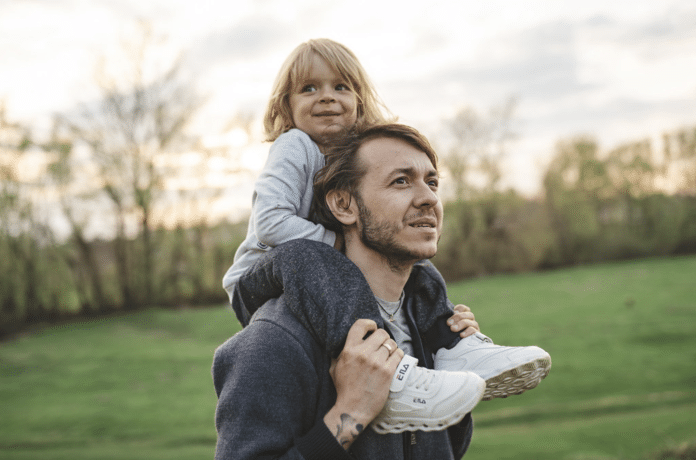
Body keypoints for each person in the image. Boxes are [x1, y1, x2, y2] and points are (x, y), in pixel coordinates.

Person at [221, 38, 551, 432]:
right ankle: (387, 371)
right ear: (285, 107)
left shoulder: (356, 153)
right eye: (309, 88)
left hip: (317, 269)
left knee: (418, 263)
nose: (326, 97)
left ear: (360, 101)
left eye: (341, 87)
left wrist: (439, 333)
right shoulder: (295, 146)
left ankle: (452, 349)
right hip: (261, 276)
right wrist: (339, 243)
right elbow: (271, 223)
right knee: (308, 256)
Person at [214, 123, 487, 459]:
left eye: (432, 182)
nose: (429, 198)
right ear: (344, 205)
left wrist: (451, 369)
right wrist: (351, 412)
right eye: (401, 181)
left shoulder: (427, 324)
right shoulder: (276, 339)